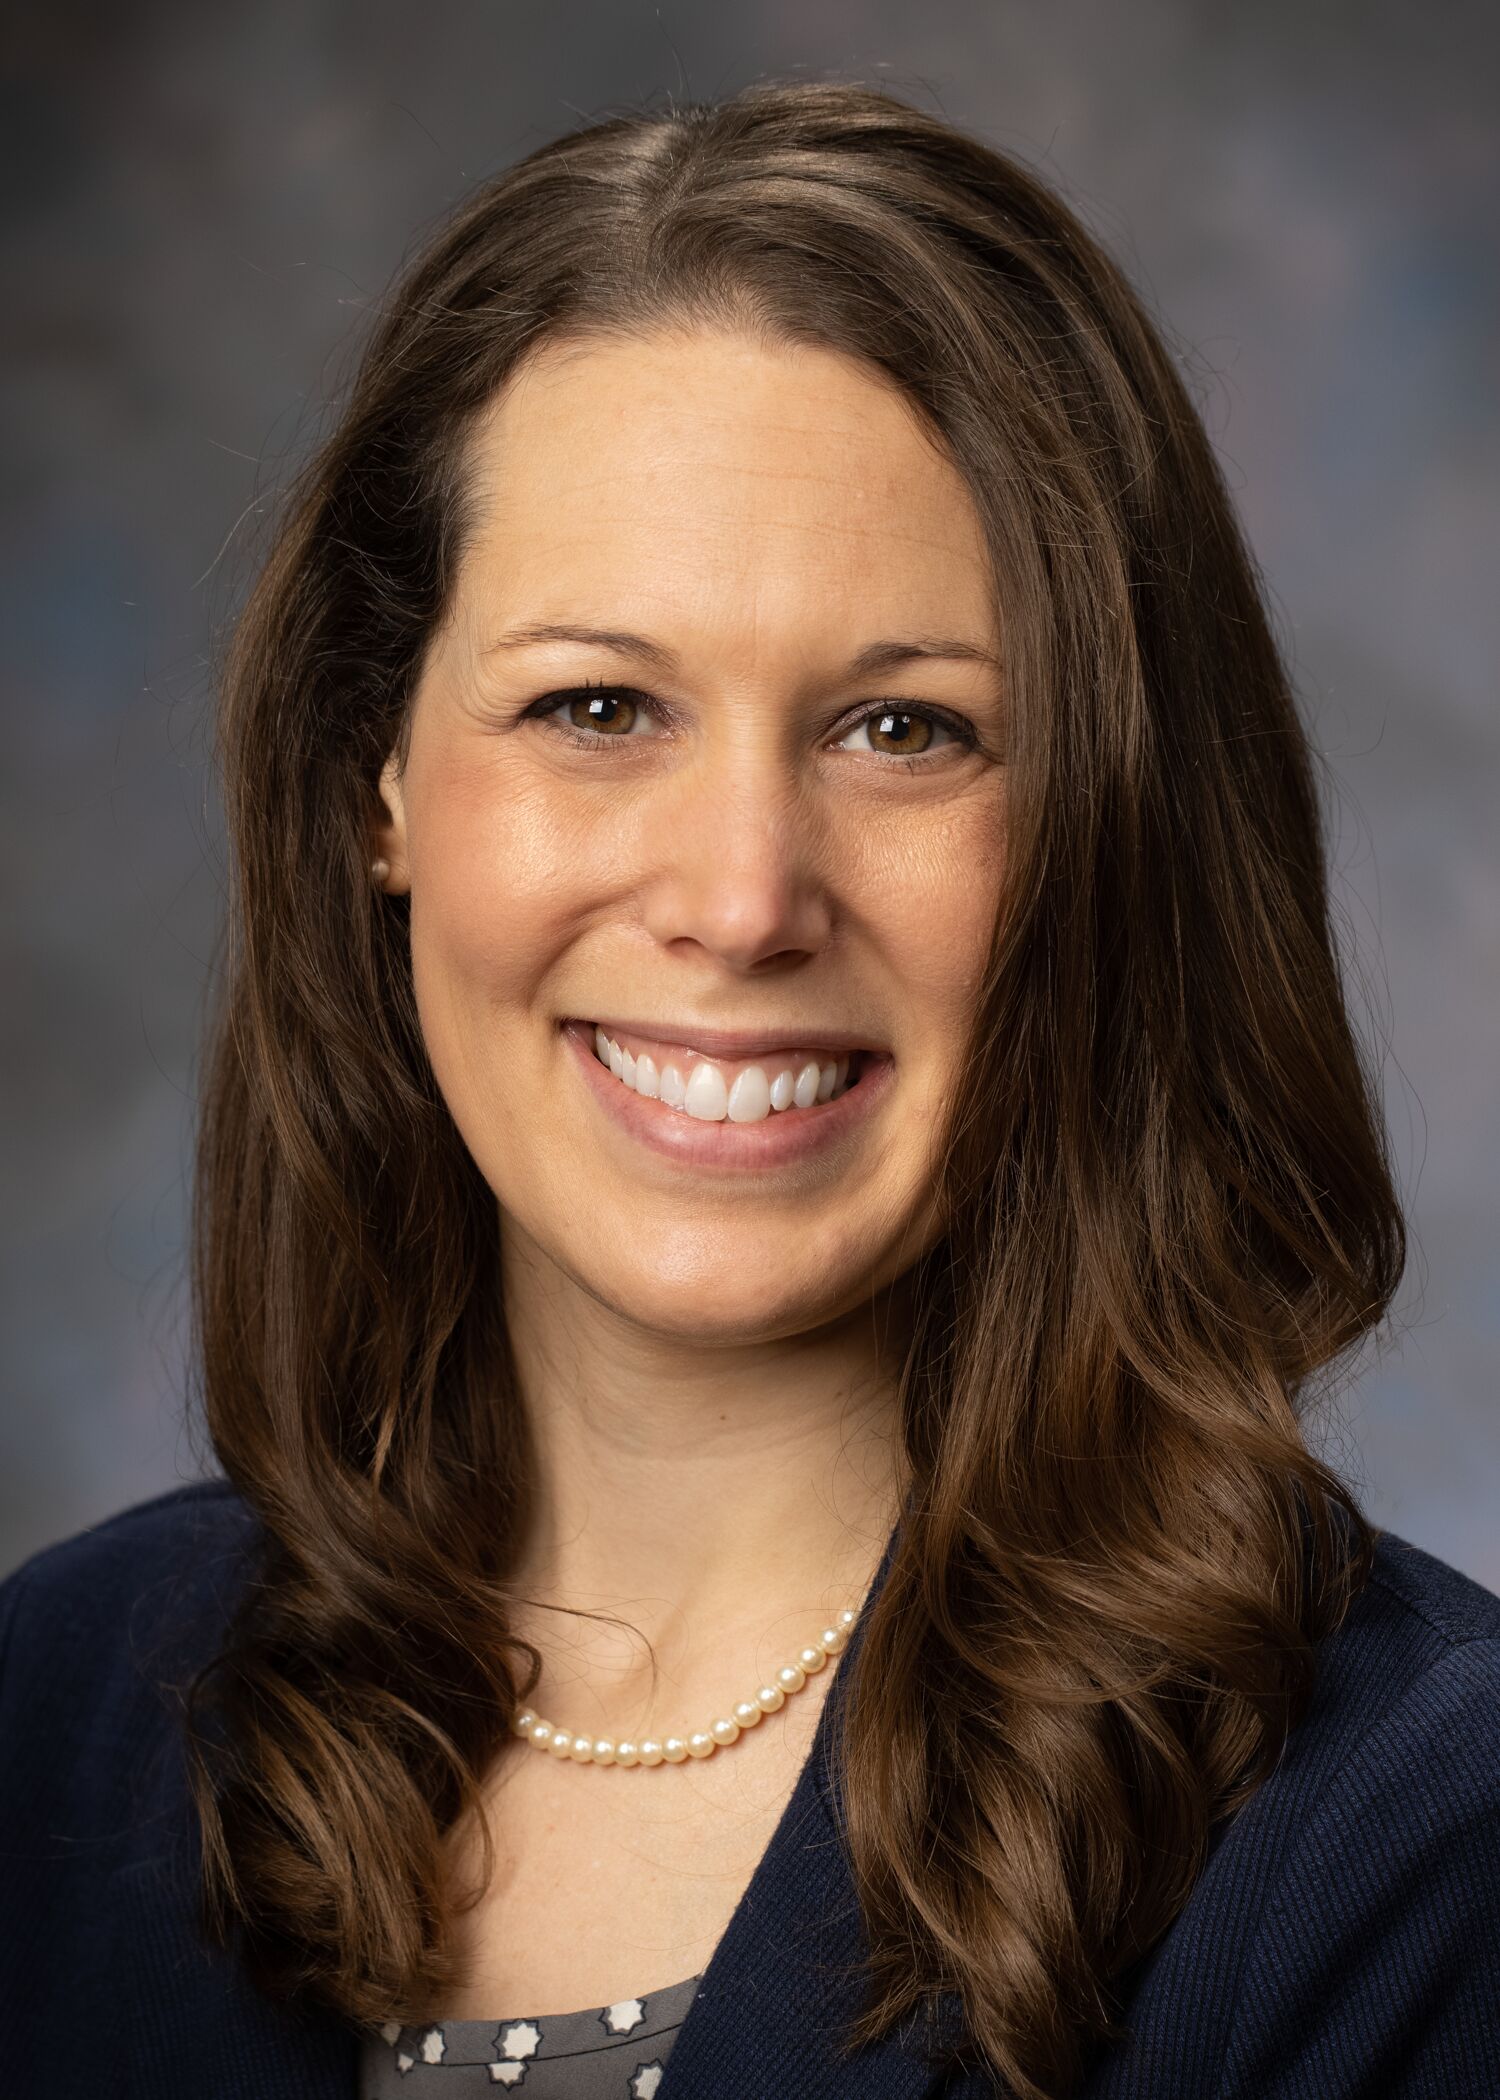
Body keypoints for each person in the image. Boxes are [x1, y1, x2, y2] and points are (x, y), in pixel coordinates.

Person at [2, 76, 1496, 2100]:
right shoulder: (48, 1718)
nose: (739, 898)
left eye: (906, 727)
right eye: (596, 707)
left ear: (1112, 832)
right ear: (380, 781)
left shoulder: (1409, 1847)